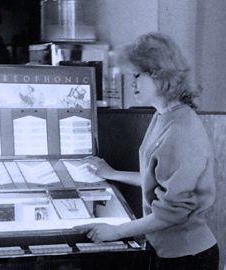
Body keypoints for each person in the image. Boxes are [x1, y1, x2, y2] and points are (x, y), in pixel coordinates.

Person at [75, 32, 219, 270]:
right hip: (170, 251)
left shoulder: (181, 129)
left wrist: (116, 232)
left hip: (188, 256)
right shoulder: (163, 115)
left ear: (158, 75)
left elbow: (173, 212)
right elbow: (161, 181)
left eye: (136, 75)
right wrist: (112, 173)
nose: (131, 83)